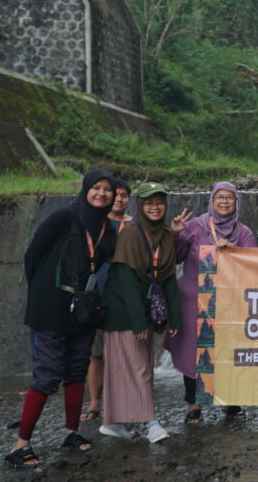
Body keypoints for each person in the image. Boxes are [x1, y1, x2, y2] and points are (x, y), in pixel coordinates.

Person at [4, 170, 117, 469]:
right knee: (47, 373)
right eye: (96, 187)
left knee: (76, 369)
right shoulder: (63, 218)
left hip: (83, 309)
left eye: (107, 189)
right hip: (51, 308)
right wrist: (45, 293)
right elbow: (33, 256)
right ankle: (21, 444)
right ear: (86, 189)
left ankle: (71, 432)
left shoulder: (108, 229)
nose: (102, 193)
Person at [100, 182, 186, 443]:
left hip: (144, 309)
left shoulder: (166, 235)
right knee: (139, 369)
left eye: (159, 202)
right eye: (149, 202)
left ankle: (113, 423)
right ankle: (151, 424)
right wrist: (138, 324)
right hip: (123, 312)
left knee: (129, 368)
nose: (155, 207)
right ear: (140, 205)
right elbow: (125, 283)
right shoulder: (130, 233)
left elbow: (168, 279)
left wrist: (175, 318)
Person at [166, 182, 255, 424]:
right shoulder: (195, 226)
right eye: (220, 197)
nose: (224, 201)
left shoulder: (243, 232)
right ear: (212, 201)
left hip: (229, 302)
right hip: (193, 300)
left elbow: (253, 267)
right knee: (193, 351)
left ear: (236, 202)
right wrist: (174, 234)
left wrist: (234, 252)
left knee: (227, 350)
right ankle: (194, 404)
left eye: (230, 198)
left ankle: (230, 401)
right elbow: (175, 257)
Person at [82, 178, 132, 423]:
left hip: (126, 301)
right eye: (116, 195)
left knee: (125, 356)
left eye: (124, 196)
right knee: (96, 355)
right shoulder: (96, 223)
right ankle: (94, 403)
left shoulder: (135, 225)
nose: (119, 199)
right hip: (97, 297)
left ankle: (123, 404)